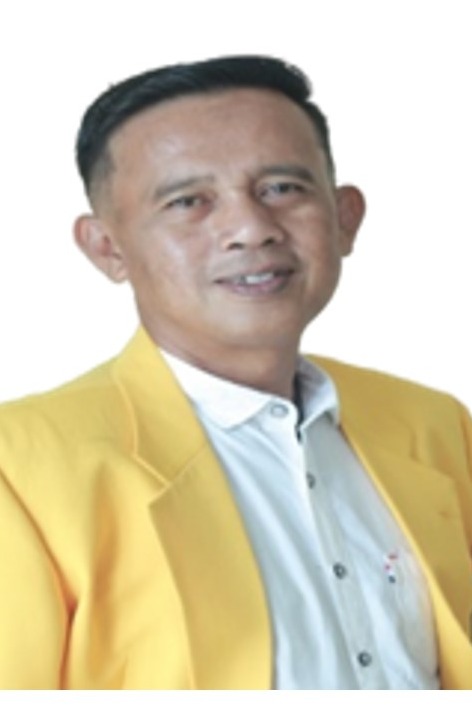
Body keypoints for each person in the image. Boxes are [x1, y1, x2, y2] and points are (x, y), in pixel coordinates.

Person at [0, 55, 471, 691]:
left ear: (345, 218)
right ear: (108, 248)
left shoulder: (435, 425)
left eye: (282, 188)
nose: (251, 229)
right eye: (188, 201)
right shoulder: (20, 467)